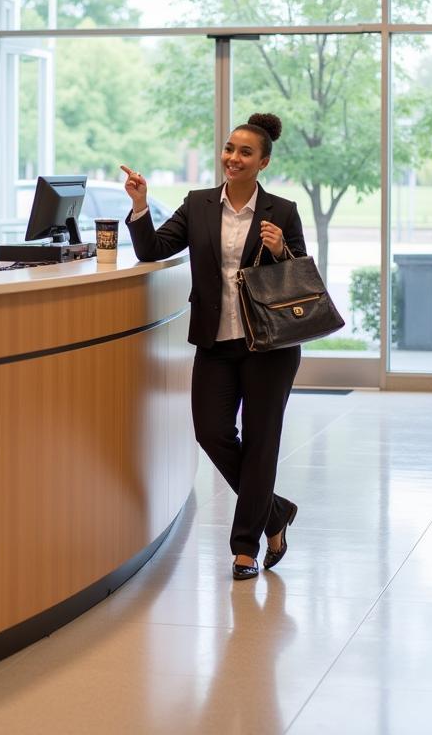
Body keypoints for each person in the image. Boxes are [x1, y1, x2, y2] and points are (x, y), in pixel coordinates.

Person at [122, 112, 305, 581]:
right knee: (211, 432)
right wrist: (140, 207)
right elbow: (154, 249)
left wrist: (282, 249)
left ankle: (245, 548)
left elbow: (302, 274)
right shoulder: (198, 205)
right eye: (229, 148)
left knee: (262, 444)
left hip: (268, 346)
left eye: (245, 152)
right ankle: (275, 511)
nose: (233, 158)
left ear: (263, 162)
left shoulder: (281, 211)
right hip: (215, 341)